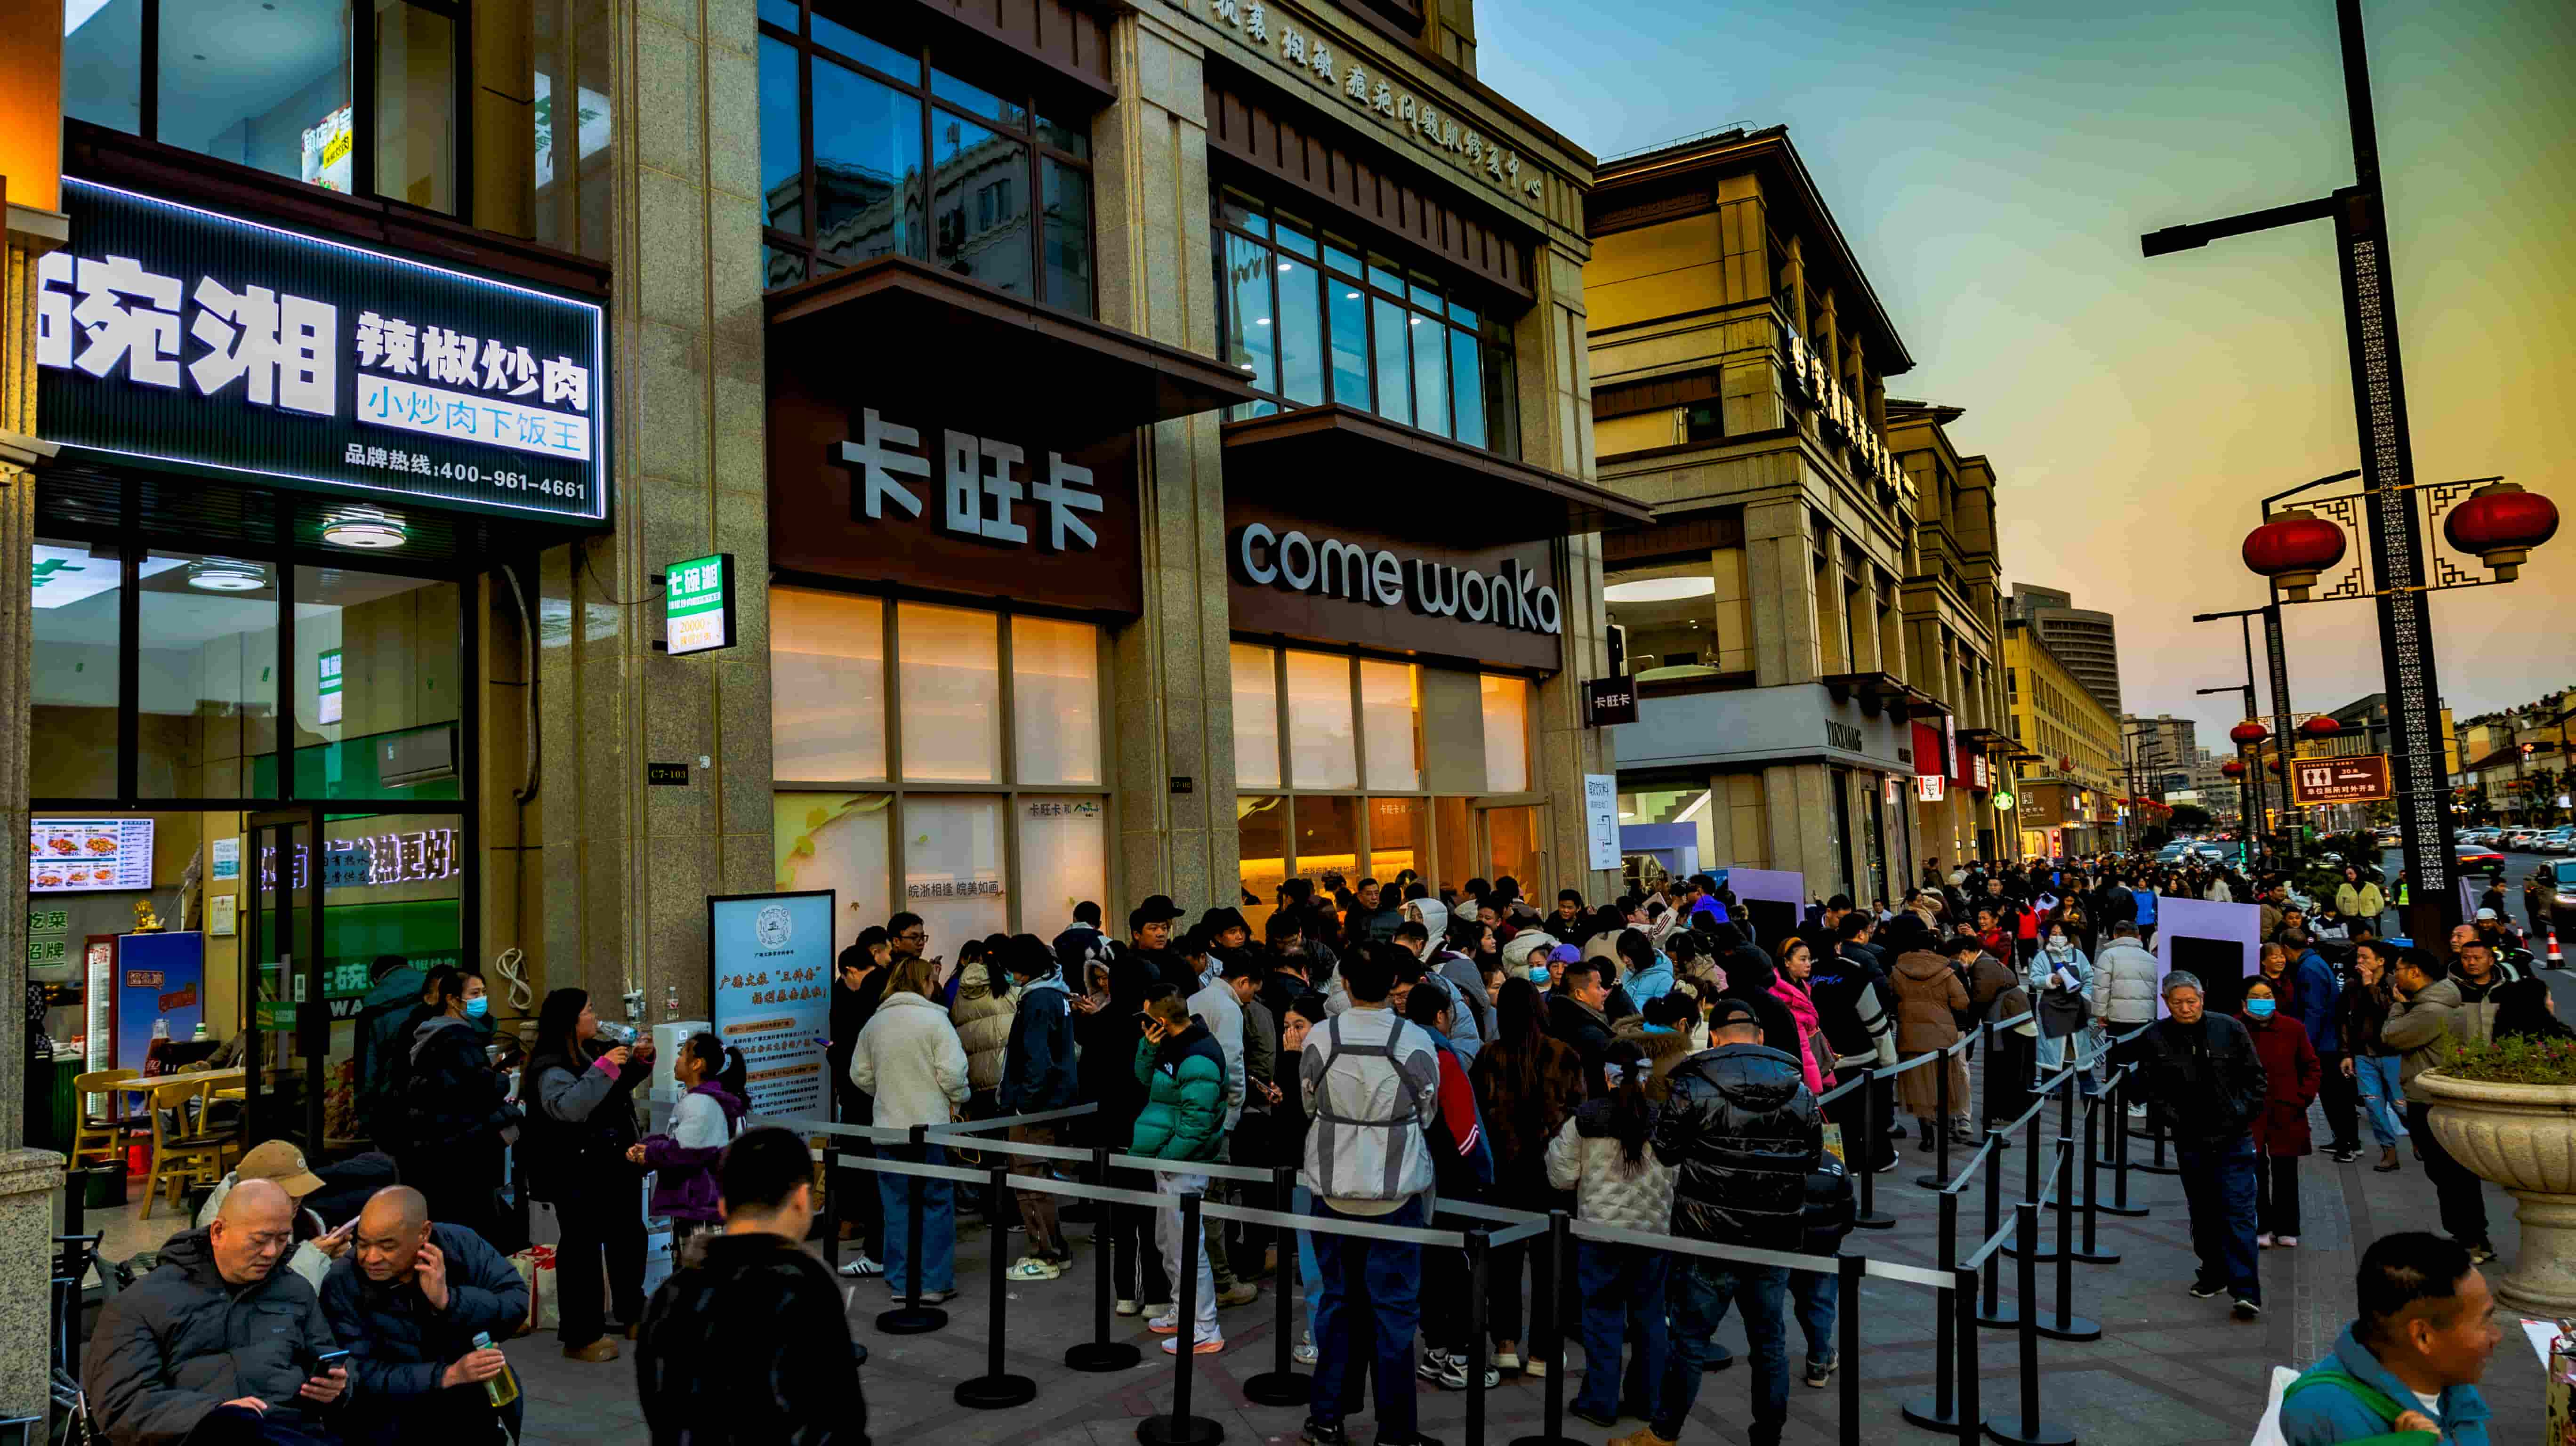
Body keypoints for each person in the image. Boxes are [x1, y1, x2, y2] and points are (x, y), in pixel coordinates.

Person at [1626, 997, 1823, 1446]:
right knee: (1769, 1342)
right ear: (1760, 1037)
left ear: (1714, 1039)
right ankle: (1768, 1436)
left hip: (1708, 1231)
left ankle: (1664, 1433)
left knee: (1690, 1340)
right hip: (1774, 1233)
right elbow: (1812, 1157)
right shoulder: (1799, 1090)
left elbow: (1666, 1151)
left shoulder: (1693, 1084)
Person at [636, 1126, 869, 1445]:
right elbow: (838, 1424)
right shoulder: (805, 1288)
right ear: (802, 1200)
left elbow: (661, 1411)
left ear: (722, 1205)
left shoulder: (668, 1296)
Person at [1299, 945, 1444, 1446]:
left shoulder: (1321, 1036)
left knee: (1337, 1304)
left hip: (1331, 1189)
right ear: (1394, 984)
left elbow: (1308, 1103)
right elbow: (1428, 1111)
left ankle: (1326, 1419)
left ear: (1345, 984)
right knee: (1395, 1314)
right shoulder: (1415, 1039)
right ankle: (1395, 1431)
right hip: (1396, 1193)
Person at [84, 1179, 347, 1446]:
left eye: (282, 1240)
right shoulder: (143, 1302)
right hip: (199, 1434)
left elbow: (329, 1356)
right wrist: (213, 1413)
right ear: (218, 1232)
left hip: (290, 1430)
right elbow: (122, 1405)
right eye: (259, 1240)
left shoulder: (295, 1290)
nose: (271, 1252)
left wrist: (338, 1385)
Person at [320, 1185, 528, 1446]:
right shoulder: (343, 1280)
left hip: (470, 1410)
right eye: (363, 1244)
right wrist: (447, 1375)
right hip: (386, 1423)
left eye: (387, 1246)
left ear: (424, 1233)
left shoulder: (461, 1246)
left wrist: (450, 1301)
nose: (371, 1258)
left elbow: (516, 1304)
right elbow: (357, 1373)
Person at [2115, 972, 2268, 1319]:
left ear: (2202, 998)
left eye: (2191, 1001)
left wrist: (2241, 1112)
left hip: (2234, 1138)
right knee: (2203, 1212)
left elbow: (2256, 1078)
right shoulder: (2155, 1036)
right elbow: (2151, 1088)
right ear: (2166, 1003)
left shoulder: (2230, 1029)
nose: (2186, 1008)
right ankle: (2214, 1272)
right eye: (2178, 1003)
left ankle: (2246, 1290)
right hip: (2191, 1140)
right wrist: (2176, 1119)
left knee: (2239, 1212)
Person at [1550, 1040, 1675, 1429]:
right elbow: (1679, 1174)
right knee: (1650, 1316)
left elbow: (1561, 1176)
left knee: (1602, 1319)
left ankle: (1599, 1402)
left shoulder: (1584, 1120)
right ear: (1645, 1077)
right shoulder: (1663, 1120)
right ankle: (1649, 1400)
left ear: (1607, 1076)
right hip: (1653, 1236)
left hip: (1598, 1235)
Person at [524, 986, 653, 1362]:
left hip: (614, 1161)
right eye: (589, 1010)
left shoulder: (592, 1050)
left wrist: (640, 1061)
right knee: (582, 1247)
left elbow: (614, 1088)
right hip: (575, 1169)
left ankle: (633, 1312)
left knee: (628, 1235)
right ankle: (581, 1335)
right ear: (570, 1021)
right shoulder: (549, 1065)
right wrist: (605, 1068)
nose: (596, 1016)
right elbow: (571, 1108)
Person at [2278, 1232, 2498, 1446]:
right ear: (2423, 1337)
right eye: (2483, 1323)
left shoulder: (2454, 1388)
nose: (2496, 1336)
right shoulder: (2316, 1417)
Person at [1471, 977, 1585, 1378]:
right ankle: (1542, 1352)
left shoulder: (1488, 1055)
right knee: (1552, 1265)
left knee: (1502, 1260)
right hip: (1551, 1175)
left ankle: (1504, 1344)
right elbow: (1579, 1114)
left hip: (1504, 1174)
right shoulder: (1564, 1055)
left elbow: (1478, 1116)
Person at [849, 955, 971, 1303]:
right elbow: (953, 1074)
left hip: (888, 1127)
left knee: (897, 1207)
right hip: (929, 1126)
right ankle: (934, 1282)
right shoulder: (936, 1020)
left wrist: (887, 1090)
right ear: (924, 983)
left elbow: (859, 1074)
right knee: (936, 1203)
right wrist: (958, 1098)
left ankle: (902, 1282)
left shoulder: (875, 1023)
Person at [1406, 983, 1499, 1392]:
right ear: (1442, 1016)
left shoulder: (1399, 1051)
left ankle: (1436, 1349)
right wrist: (1481, 1173)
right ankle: (1464, 1357)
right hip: (1452, 1181)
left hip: (1412, 1178)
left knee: (1429, 1268)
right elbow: (1465, 1129)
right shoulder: (1442, 1056)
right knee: (1462, 1272)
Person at [1129, 981, 1231, 1356]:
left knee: (1187, 1247)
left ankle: (1204, 1327)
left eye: (1147, 1018)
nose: (1143, 1023)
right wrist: (1147, 1047)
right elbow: (1147, 1083)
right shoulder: (1173, 1044)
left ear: (1160, 1019)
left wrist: (1170, 1158)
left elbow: (1197, 1123)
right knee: (1169, 1243)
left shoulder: (1198, 1055)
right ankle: (1182, 1310)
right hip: (1170, 1158)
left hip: (1183, 1162)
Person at [1077, 905, 1167, 1315]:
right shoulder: (1149, 1027)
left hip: (1111, 1129)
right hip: (1146, 1129)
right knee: (1152, 1215)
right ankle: (1157, 1295)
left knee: (1123, 1216)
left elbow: (1089, 1079)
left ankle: (1127, 1294)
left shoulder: (1101, 1023)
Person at [392, 965, 518, 1248]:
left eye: (483, 992)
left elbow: (454, 1086)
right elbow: (477, 1089)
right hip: (462, 1149)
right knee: (471, 1231)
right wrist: (501, 1082)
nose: (481, 999)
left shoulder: (432, 1035)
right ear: (451, 999)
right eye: (474, 994)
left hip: (440, 1147)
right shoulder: (457, 1038)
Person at [2385, 947, 2492, 1262]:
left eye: (2398, 970)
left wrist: (2397, 1006)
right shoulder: (2438, 1001)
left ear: (2415, 972)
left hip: (2430, 1100)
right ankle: (2473, 1236)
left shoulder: (2429, 1010)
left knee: (2448, 1172)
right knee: (2450, 1171)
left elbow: (2391, 1037)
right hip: (2435, 1096)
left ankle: (2471, 1238)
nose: (2395, 976)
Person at [1182, 935, 1258, 1309]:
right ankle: (1221, 1280)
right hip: (1217, 1117)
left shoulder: (1195, 999)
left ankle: (1204, 1278)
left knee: (1194, 1198)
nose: (1252, 998)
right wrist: (1235, 1110)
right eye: (1252, 990)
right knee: (1214, 1200)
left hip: (1191, 1112)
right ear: (1243, 982)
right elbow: (1232, 1064)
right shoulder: (1228, 1009)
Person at [997, 933, 1079, 1279]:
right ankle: (1055, 1248)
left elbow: (1037, 1060)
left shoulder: (1037, 1000)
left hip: (1035, 1107)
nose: (1008, 974)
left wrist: (1024, 1105)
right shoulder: (1055, 993)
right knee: (1037, 1178)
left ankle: (1046, 1255)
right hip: (1052, 1100)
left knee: (1029, 1181)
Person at [628, 1031, 748, 1249]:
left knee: (702, 1269)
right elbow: (681, 1140)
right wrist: (649, 1146)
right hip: (698, 1208)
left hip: (704, 1212)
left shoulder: (706, 1104)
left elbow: (685, 1152)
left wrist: (649, 1153)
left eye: (682, 1054)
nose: (677, 1060)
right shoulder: (701, 1099)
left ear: (697, 1064)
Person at [193, 1141, 352, 1293]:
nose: (298, 1198)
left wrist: (330, 1259)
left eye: (302, 1188)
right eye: (290, 1191)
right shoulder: (224, 1233)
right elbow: (258, 1297)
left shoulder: (306, 1219)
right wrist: (310, 1258)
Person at [830, 925, 893, 1275]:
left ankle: (876, 1251)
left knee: (871, 1173)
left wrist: (836, 1054)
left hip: (867, 1098)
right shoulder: (890, 989)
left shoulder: (868, 996)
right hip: (886, 1098)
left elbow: (857, 1055)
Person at [2239, 980, 2320, 1248]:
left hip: (2287, 1110)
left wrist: (2301, 1098)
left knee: (2286, 1170)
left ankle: (2287, 1226)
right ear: (2244, 1002)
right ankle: (2260, 1226)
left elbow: (2311, 1066)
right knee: (2255, 1170)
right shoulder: (2235, 1028)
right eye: (2256, 996)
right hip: (2250, 1113)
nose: (2263, 1001)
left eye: (2268, 996)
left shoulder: (2293, 1028)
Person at [1888, 918, 1971, 1149]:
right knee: (1944, 1085)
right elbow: (1962, 1002)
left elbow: (1890, 998)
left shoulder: (1898, 971)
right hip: (1942, 1036)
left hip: (1911, 1036)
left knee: (1918, 1087)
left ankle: (1927, 1137)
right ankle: (1943, 1133)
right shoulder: (1946, 971)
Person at [2342, 939, 2410, 1173]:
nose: (2360, 962)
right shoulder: (2352, 985)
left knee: (2401, 1104)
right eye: (2358, 957)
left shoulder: (2395, 984)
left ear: (2381, 961)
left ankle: (2420, 1138)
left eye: (2365, 957)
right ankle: (2389, 1152)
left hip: (2392, 1053)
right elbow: (2346, 1021)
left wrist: (2370, 985)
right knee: (2373, 1105)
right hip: (2363, 1053)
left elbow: (2389, 1012)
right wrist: (2347, 1053)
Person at [2085, 910, 2160, 1117]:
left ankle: (2135, 1100)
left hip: (2117, 1017)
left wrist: (2099, 1013)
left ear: (2115, 935)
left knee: (2118, 1059)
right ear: (2139, 936)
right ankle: (2135, 1099)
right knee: (2137, 1060)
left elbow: (2101, 988)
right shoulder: (2151, 959)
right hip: (2145, 1018)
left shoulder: (2109, 956)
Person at [1547, 956, 1621, 1076]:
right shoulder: (1591, 1035)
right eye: (1598, 987)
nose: (1604, 993)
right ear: (1579, 994)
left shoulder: (1555, 1020)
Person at [2493, 975, 2576, 1043]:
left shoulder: (2501, 1029)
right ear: (2541, 1005)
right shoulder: (2559, 1035)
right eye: (2549, 999)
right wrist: (2551, 1018)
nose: (2552, 1003)